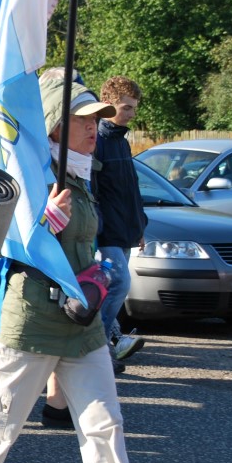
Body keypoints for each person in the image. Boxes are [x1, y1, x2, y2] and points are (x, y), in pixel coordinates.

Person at [0, 73, 180, 463]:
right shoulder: (29, 174)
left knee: (104, 424)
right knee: (2, 419)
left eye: (97, 119)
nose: (94, 127)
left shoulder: (81, 173)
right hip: (33, 315)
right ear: (55, 124)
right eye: (83, 119)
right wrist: (38, 225)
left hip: (82, 316)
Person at [94, 75, 146, 370]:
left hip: (124, 229)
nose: (131, 114)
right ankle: (96, 347)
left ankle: (105, 345)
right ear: (107, 104)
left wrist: (140, 226)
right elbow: (94, 192)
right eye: (126, 107)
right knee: (119, 283)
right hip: (106, 232)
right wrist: (97, 228)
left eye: (134, 108)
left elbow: (131, 190)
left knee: (110, 288)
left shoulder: (121, 143)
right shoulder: (97, 141)